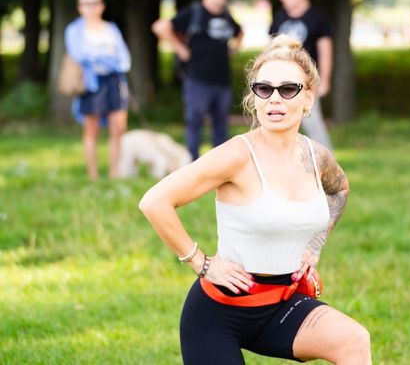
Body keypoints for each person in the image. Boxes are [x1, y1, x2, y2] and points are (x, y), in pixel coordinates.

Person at [139, 34, 371, 364]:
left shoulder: (316, 156)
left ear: (308, 98)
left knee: (354, 340)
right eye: (264, 89)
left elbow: (340, 190)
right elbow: (155, 201)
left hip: (282, 305)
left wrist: (317, 242)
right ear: (254, 97)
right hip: (219, 313)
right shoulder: (236, 155)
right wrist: (201, 263)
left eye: (288, 89)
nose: (275, 99)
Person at [152, 0, 243, 160]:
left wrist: (234, 49)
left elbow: (240, 32)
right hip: (198, 79)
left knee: (221, 126)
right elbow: (160, 27)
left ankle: (220, 165)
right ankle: (192, 163)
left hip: (222, 80)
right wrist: (179, 48)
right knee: (195, 123)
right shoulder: (194, 12)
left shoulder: (226, 14)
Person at [65, 0, 131, 180]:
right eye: (85, 4)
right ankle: (93, 175)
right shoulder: (74, 30)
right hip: (91, 84)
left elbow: (124, 60)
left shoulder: (111, 28)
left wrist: (98, 55)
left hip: (115, 82)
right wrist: (107, 54)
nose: (90, 8)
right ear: (79, 7)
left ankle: (114, 172)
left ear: (101, 6)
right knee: (91, 130)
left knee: (118, 129)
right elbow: (79, 55)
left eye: (94, 3)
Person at [270, 0, 334, 151]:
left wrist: (325, 81)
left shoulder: (318, 17)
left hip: (307, 81)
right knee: (279, 122)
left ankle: (327, 163)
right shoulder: (280, 16)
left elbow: (326, 52)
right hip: (280, 82)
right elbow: (270, 48)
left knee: (313, 123)